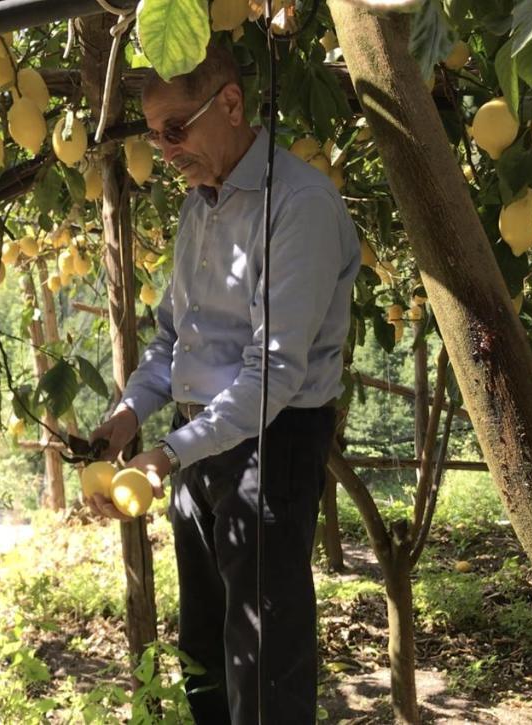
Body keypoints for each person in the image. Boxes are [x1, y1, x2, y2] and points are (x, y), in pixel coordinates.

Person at [86, 41, 360, 724]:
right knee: (207, 647)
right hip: (199, 442)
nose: (165, 150)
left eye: (174, 130)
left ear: (231, 104)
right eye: (153, 135)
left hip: (272, 442)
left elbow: (272, 376)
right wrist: (129, 414)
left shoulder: (297, 206)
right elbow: (171, 340)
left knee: (265, 661)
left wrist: (170, 452)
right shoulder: (199, 207)